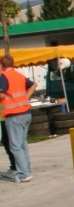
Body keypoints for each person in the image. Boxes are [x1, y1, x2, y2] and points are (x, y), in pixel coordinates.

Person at [0, 55, 35, 183]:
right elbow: (33, 85)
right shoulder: (18, 75)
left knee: (15, 146)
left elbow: (2, 94)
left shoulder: (4, 77)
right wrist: (26, 97)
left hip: (14, 115)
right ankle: (26, 169)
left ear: (2, 65)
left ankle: (24, 173)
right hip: (26, 112)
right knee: (22, 144)